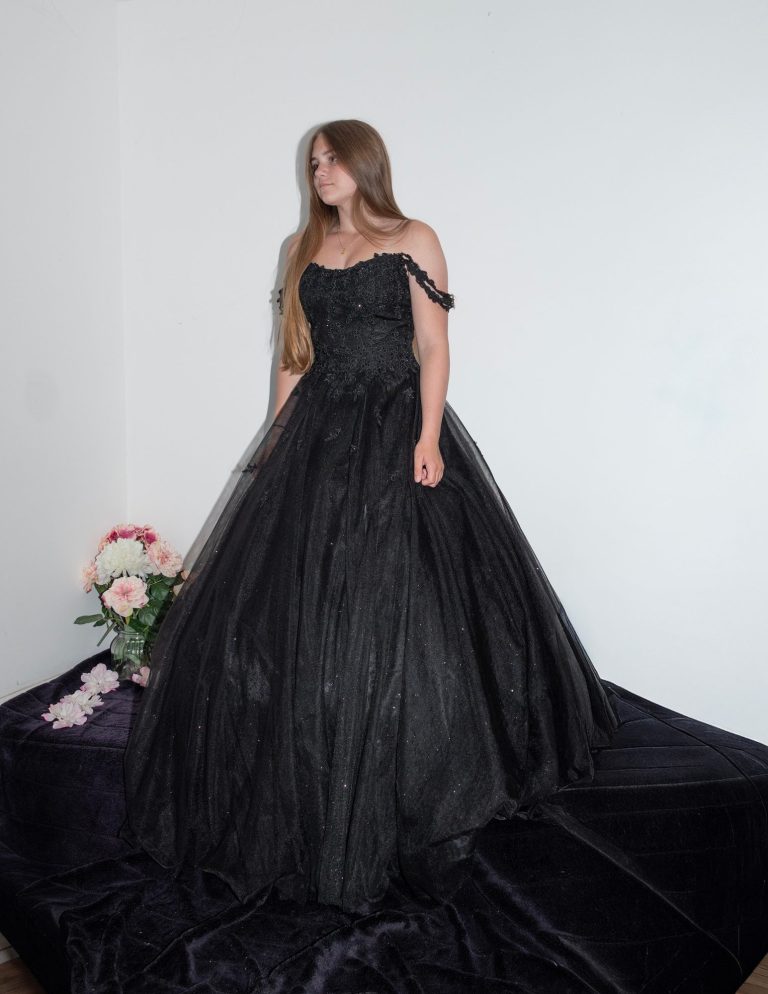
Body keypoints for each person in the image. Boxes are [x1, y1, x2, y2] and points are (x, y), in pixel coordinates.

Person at [119, 118, 621, 915]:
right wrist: (275, 446)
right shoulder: (301, 249)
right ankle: (307, 765)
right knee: (297, 603)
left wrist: (427, 435)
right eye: (312, 162)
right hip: (318, 433)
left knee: (406, 599)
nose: (320, 171)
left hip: (394, 430)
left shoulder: (415, 236)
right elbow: (293, 357)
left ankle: (420, 776)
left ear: (366, 163)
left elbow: (432, 344)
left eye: (333, 158)